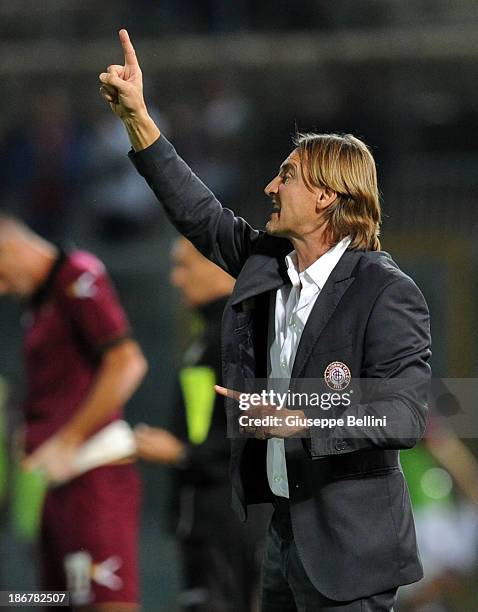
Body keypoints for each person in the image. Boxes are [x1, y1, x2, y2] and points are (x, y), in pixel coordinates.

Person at [99, 30, 431, 612]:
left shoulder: (386, 290)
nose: (270, 186)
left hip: (350, 552)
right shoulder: (270, 264)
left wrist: (304, 413)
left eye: (288, 175)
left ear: (328, 194)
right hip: (284, 534)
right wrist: (140, 121)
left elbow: (404, 411)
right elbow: (200, 214)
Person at [0, 214, 147, 611]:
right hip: (54, 481)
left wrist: (68, 440)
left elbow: (127, 362)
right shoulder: (40, 303)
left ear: (11, 248)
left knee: (104, 601)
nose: (1, 288)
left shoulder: (78, 275)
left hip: (91, 475)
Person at [135, 236, 268, 612]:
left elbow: (256, 426)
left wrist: (182, 451)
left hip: (229, 521)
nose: (176, 278)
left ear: (219, 266)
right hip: (204, 518)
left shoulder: (242, 332)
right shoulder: (209, 334)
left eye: (185, 265)